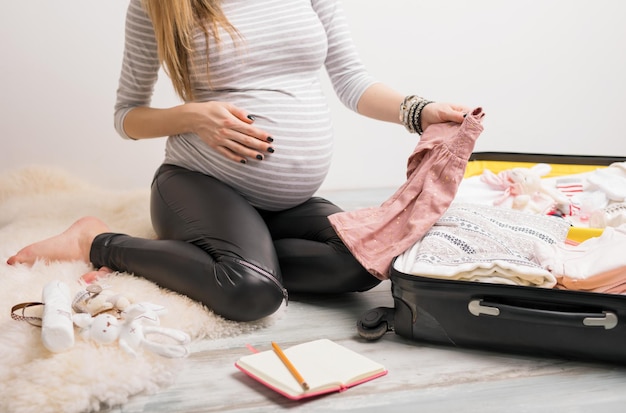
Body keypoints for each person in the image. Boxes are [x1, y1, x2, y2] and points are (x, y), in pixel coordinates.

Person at [7, 0, 470, 322]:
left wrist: (419, 110)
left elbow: (351, 79)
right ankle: (96, 241)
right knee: (250, 291)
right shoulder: (158, 5)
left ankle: (237, 250)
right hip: (198, 183)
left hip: (284, 203)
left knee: (364, 260)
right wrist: (192, 115)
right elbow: (127, 116)